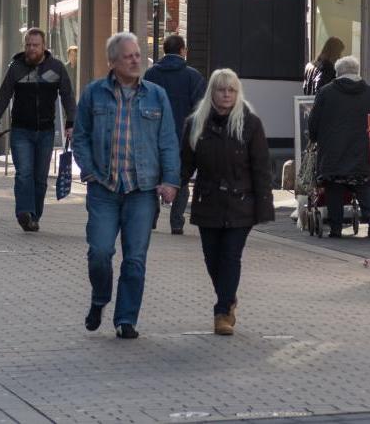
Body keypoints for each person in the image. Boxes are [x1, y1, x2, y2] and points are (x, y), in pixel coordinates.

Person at [71, 31, 181, 339]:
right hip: (104, 188)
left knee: (134, 258)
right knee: (100, 252)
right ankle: (99, 299)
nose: (136, 60)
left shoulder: (156, 95)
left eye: (138, 55)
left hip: (142, 191)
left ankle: (126, 319)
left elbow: (168, 142)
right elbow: (80, 137)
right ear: (113, 62)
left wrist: (170, 180)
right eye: (129, 56)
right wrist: (89, 171)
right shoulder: (94, 94)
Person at [184, 67, 275, 336]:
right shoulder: (195, 124)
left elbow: (261, 168)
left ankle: (222, 311)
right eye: (221, 89)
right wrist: (170, 186)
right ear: (212, 92)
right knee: (212, 258)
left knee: (230, 256)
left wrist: (264, 207)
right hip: (208, 200)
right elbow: (185, 164)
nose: (226, 94)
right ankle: (229, 298)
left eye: (231, 90)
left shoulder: (250, 123)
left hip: (241, 202)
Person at [0, 26, 75, 232]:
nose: (31, 49)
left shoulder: (56, 68)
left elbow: (67, 96)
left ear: (44, 46)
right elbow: (4, 95)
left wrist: (71, 122)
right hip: (21, 130)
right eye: (28, 45)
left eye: (35, 45)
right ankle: (24, 212)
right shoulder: (16, 68)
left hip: (46, 131)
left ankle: (34, 216)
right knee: (24, 173)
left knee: (40, 178)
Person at [306, 53, 370, 238]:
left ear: (337, 72)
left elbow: (314, 122)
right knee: (364, 186)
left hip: (333, 155)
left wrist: (315, 138)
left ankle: (336, 229)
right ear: (357, 72)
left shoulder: (325, 92)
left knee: (334, 188)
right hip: (363, 155)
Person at [146, 33, 203, 235]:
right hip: (183, 138)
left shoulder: (150, 75)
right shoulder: (193, 77)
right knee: (181, 179)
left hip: (154, 136)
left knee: (153, 178)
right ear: (182, 51)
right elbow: (200, 111)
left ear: (164, 51)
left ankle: (150, 219)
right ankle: (177, 223)